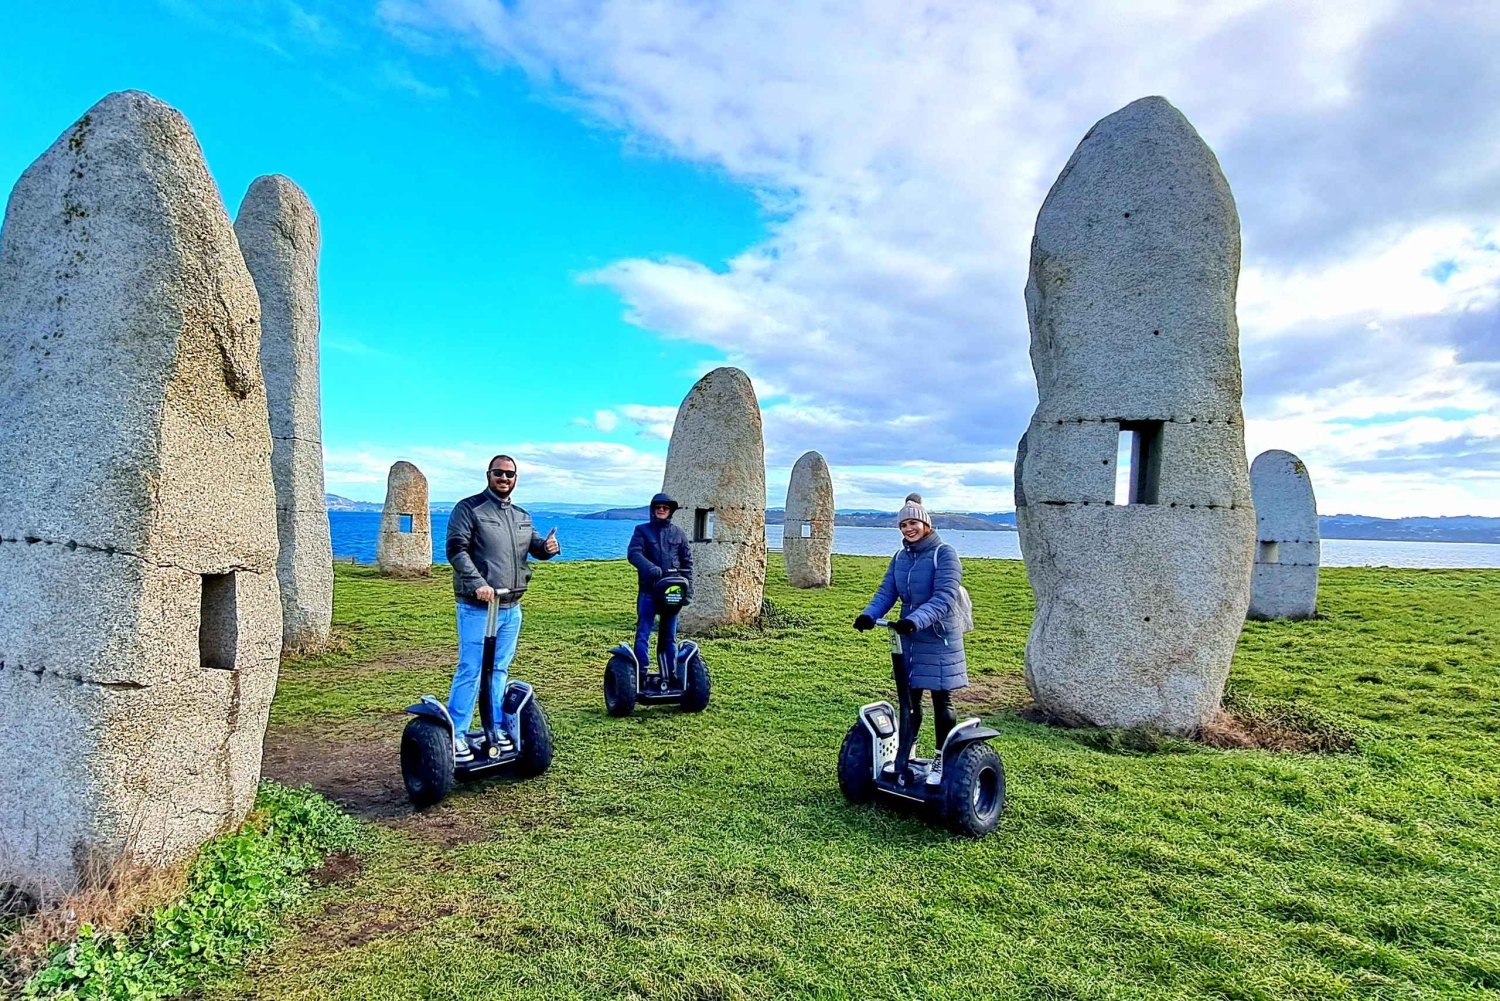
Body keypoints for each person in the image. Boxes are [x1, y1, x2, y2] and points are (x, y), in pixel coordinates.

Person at [444, 455, 560, 761]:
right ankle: (457, 732)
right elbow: (456, 550)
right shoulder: (468, 509)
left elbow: (534, 547)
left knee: (499, 669)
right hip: (478, 606)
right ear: (488, 474)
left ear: (516, 478)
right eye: (499, 473)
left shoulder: (521, 515)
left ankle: (494, 728)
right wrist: (476, 583)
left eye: (510, 474)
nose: (504, 478)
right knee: (471, 668)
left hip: (511, 606)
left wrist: (547, 549)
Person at [854, 492, 968, 785]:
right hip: (908, 636)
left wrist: (913, 621)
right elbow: (887, 591)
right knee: (909, 698)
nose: (908, 529)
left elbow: (944, 597)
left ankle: (942, 759)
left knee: (941, 699)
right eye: (903, 525)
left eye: (913, 522)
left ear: (926, 523)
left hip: (938, 636)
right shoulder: (900, 557)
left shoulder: (945, 554)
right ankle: (906, 752)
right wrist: (869, 614)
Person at [626, 492, 694, 681]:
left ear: (670, 510)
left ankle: (670, 673)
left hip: (672, 592)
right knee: (643, 633)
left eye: (665, 508)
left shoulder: (679, 533)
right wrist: (649, 568)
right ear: (653, 510)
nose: (662, 510)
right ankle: (641, 673)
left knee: (669, 636)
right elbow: (634, 553)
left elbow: (687, 563)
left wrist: (687, 592)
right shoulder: (642, 531)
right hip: (649, 590)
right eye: (658, 508)